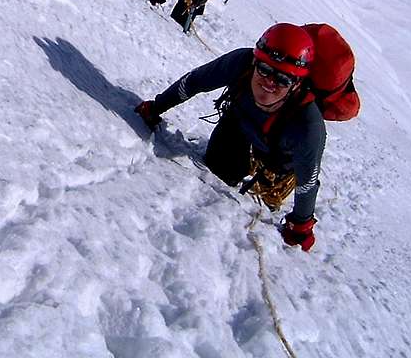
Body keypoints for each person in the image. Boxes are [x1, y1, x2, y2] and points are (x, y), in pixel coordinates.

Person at [134, 23, 325, 251]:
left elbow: (307, 181)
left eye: (283, 80)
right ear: (255, 62)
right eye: (265, 69)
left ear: (297, 84)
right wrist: (157, 107)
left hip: (276, 162)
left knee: (257, 172)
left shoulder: (307, 126)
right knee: (219, 167)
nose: (269, 83)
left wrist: (301, 226)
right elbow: (195, 82)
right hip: (240, 125)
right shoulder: (240, 64)